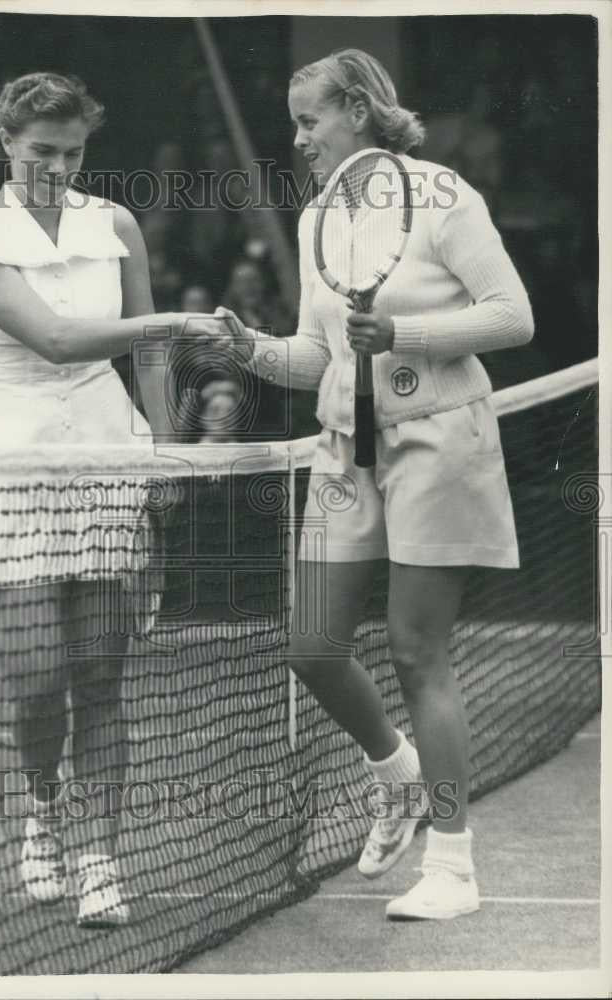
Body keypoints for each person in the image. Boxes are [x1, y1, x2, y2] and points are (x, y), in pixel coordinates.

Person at [216, 48, 534, 921]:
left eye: (309, 118)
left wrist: (403, 331)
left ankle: (453, 866)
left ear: (356, 109)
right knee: (311, 643)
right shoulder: (320, 213)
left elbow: (512, 315)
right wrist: (249, 350)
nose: (298, 138)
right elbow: (319, 353)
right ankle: (394, 776)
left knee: (414, 650)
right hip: (342, 444)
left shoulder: (442, 196)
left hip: (437, 437)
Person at [0, 72, 221, 928]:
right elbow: (53, 341)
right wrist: (174, 324)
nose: (55, 166)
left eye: (72, 152)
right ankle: (41, 809)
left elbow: (146, 357)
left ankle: (100, 861)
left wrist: (161, 450)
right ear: (5, 144)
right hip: (10, 461)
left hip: (105, 448)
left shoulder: (113, 223)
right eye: (40, 151)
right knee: (37, 676)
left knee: (100, 675)